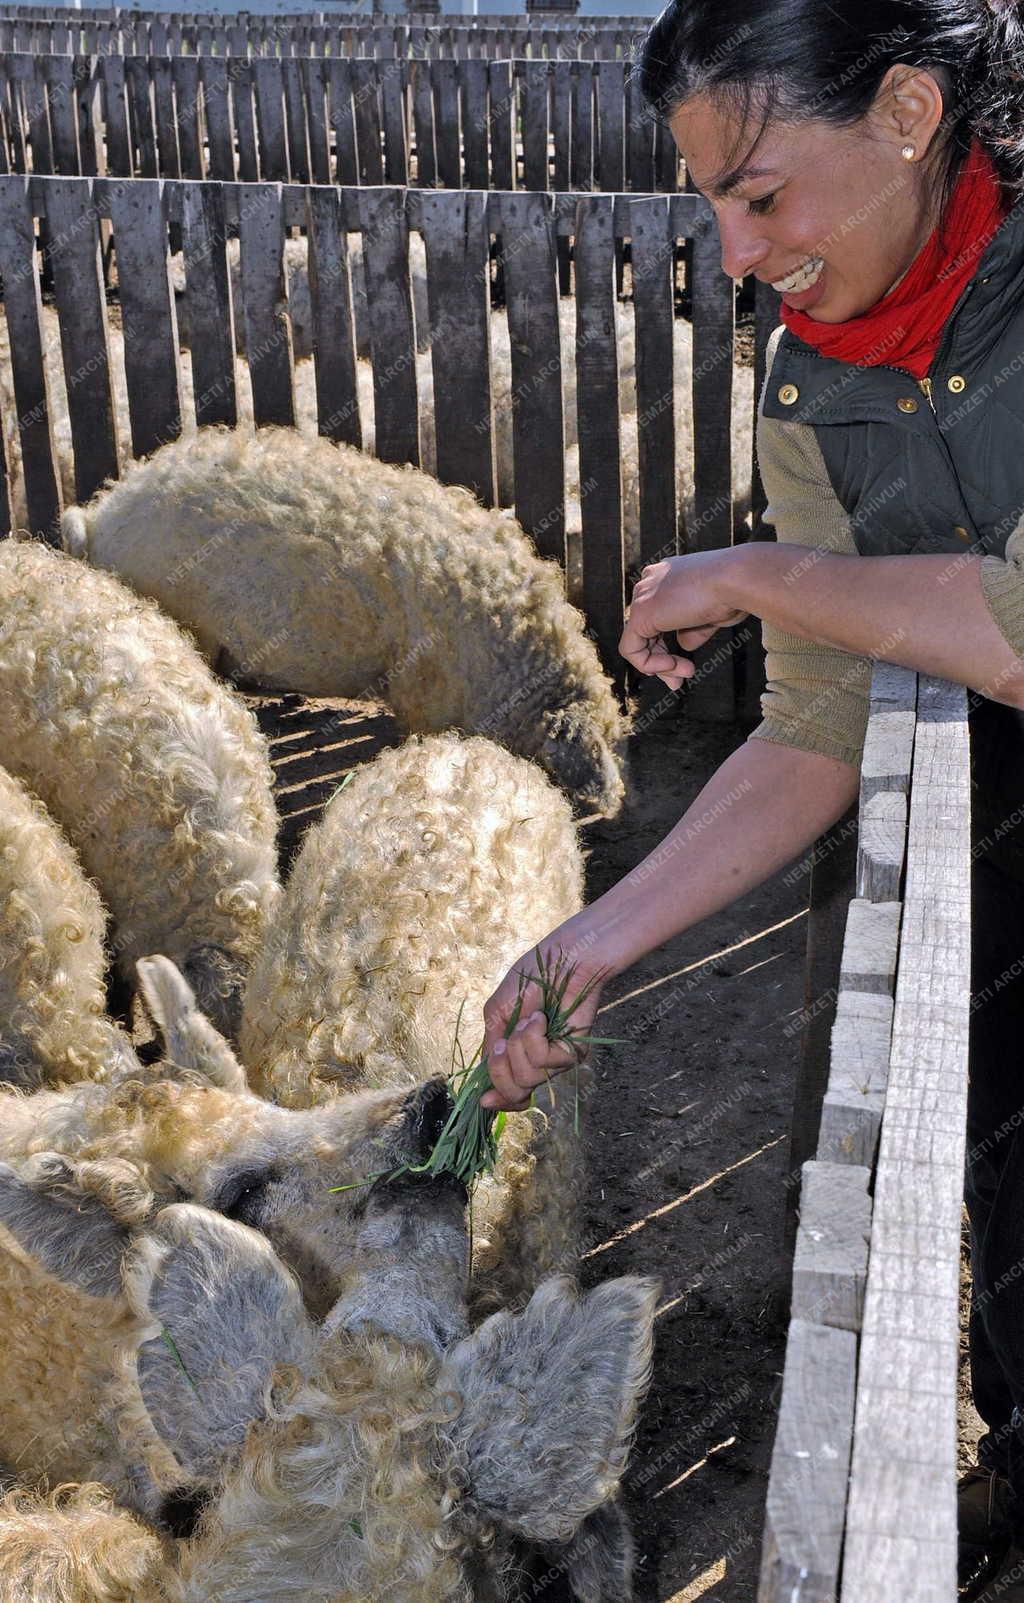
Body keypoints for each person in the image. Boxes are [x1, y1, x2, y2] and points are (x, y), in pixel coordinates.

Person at [477, 1, 1024, 1595]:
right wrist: (591, 943)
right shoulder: (812, 379)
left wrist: (765, 569)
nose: (733, 250)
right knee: (1003, 1175)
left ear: (910, 112)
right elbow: (818, 720)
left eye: (764, 193)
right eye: (712, 202)